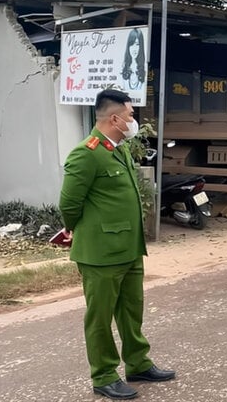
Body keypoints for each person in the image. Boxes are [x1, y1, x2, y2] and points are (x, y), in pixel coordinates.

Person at [59, 89, 174, 400]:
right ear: (114, 118)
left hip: (129, 247)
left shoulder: (117, 148)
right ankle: (104, 375)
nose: (133, 120)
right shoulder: (87, 153)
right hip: (100, 253)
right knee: (100, 318)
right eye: (130, 115)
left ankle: (138, 363)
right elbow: (69, 204)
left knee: (131, 311)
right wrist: (75, 230)